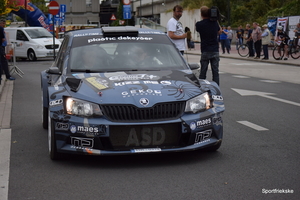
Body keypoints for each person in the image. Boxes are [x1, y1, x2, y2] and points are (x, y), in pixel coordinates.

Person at [195, 6, 222, 85]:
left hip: (205, 50)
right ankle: (216, 90)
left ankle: (201, 88)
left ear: (201, 14)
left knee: (203, 72)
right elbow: (220, 31)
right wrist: (216, 19)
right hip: (214, 49)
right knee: (215, 72)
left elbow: (197, 29)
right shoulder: (215, 23)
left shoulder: (199, 24)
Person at [0, 19, 15, 84]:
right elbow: (3, 39)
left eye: (4, 23)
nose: (4, 25)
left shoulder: (3, 30)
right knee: (3, 61)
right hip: (1, 47)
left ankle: (6, 75)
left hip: (2, 46)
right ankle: (7, 76)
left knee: (3, 61)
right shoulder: (1, 29)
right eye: (3, 23)